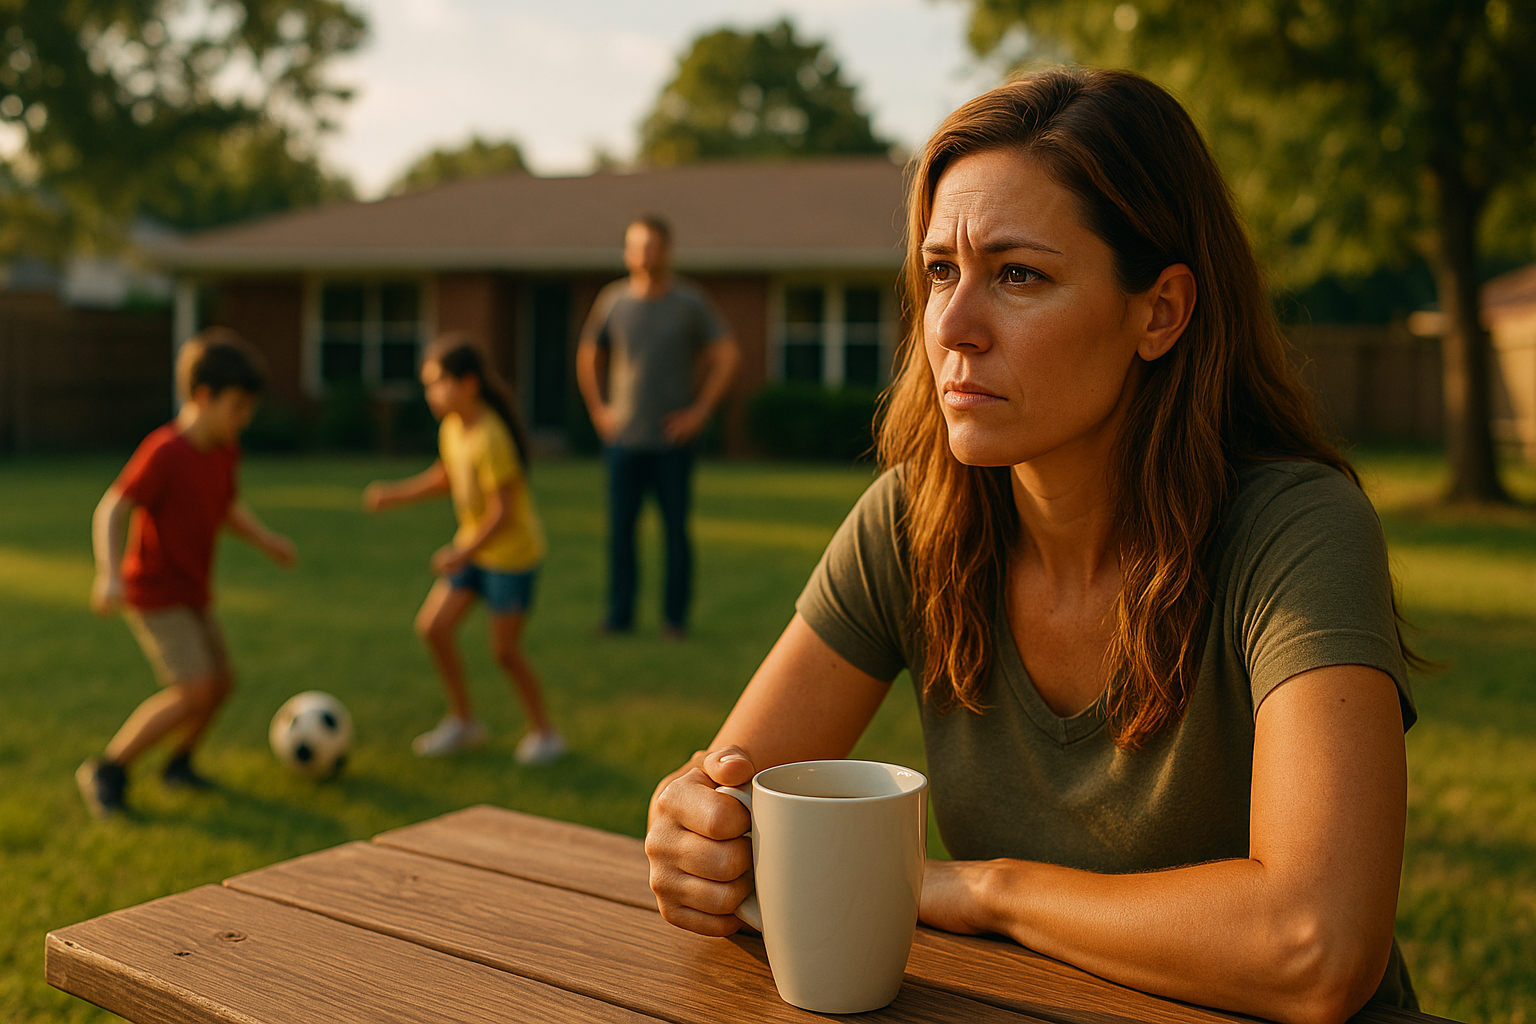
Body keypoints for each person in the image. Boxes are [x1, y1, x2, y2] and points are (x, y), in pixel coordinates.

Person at [644, 68, 1420, 1024]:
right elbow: (740, 793)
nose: (953, 329)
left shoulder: (1295, 532)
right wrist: (696, 829)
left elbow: (1318, 943)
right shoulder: (912, 523)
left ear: (1160, 312)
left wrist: (987, 890)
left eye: (1019, 275)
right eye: (939, 272)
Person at [79, 327, 297, 818]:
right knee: (195, 688)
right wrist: (108, 573)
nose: (243, 421)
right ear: (203, 396)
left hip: (193, 590)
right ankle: (108, 768)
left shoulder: (224, 450)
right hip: (154, 592)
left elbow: (227, 506)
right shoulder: (165, 451)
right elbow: (112, 508)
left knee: (221, 683)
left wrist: (266, 541)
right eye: (237, 409)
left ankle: (179, 763)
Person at [364, 334, 564, 764]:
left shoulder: (492, 436)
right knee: (434, 627)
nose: (430, 393)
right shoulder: (454, 428)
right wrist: (396, 495)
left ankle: (546, 733)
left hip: (510, 558)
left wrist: (462, 553)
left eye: (438, 382)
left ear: (468, 383)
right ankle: (464, 722)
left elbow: (503, 512)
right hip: (474, 550)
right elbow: (446, 476)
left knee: (505, 652)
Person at [576, 215, 740, 639]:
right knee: (620, 534)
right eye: (637, 245)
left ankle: (674, 619)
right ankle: (619, 616)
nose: (645, 253)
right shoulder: (612, 301)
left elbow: (726, 355)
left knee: (675, 535)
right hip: (623, 440)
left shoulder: (690, 303)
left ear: (666, 250)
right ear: (628, 252)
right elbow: (588, 354)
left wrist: (700, 411)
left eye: (652, 245)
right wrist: (598, 409)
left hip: (671, 440)